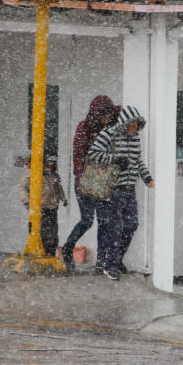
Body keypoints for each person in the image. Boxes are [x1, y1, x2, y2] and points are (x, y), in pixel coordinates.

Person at [88, 105, 154, 280]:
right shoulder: (108, 134)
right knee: (114, 229)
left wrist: (147, 178)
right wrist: (115, 159)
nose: (134, 128)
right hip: (113, 189)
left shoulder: (135, 138)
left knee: (132, 224)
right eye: (131, 125)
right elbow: (93, 154)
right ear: (124, 123)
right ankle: (110, 267)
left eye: (137, 125)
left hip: (129, 189)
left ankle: (115, 260)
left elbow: (137, 161)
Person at [60, 95, 118, 272]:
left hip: (103, 183)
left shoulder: (110, 129)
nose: (107, 118)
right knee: (87, 220)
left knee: (104, 221)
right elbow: (78, 155)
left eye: (109, 115)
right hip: (85, 182)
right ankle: (68, 248)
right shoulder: (83, 128)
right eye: (104, 115)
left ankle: (101, 261)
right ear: (96, 114)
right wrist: (81, 178)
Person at [19, 155, 67, 258]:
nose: (51, 165)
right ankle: (43, 253)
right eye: (49, 162)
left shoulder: (53, 174)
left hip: (52, 206)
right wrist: (27, 202)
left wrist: (63, 198)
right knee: (43, 233)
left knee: (53, 234)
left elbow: (58, 186)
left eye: (53, 163)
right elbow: (22, 188)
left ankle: (51, 254)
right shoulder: (31, 172)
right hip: (41, 207)